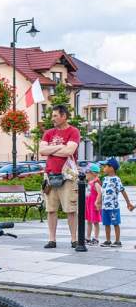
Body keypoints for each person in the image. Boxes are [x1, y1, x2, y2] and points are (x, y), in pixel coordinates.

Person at [39, 104, 81, 248]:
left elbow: (69, 151)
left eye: (55, 115)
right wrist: (60, 147)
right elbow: (42, 150)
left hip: (68, 176)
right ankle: (52, 239)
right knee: (51, 209)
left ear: (64, 116)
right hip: (50, 175)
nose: (53, 118)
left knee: (71, 209)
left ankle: (74, 239)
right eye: (53, 115)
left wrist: (51, 150)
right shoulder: (49, 133)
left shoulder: (73, 131)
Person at [99, 157, 134, 247]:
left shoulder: (116, 179)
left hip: (113, 207)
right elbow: (102, 192)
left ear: (111, 168)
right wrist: (99, 202)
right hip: (105, 207)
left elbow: (122, 191)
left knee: (115, 223)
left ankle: (117, 241)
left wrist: (128, 203)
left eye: (105, 166)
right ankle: (108, 240)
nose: (103, 168)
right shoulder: (105, 179)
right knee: (106, 223)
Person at [84, 163, 102, 245]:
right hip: (88, 205)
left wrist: (97, 202)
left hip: (93, 205)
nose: (85, 173)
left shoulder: (96, 183)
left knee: (95, 222)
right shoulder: (89, 182)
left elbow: (100, 193)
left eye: (87, 172)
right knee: (89, 221)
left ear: (93, 173)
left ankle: (96, 238)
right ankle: (88, 237)